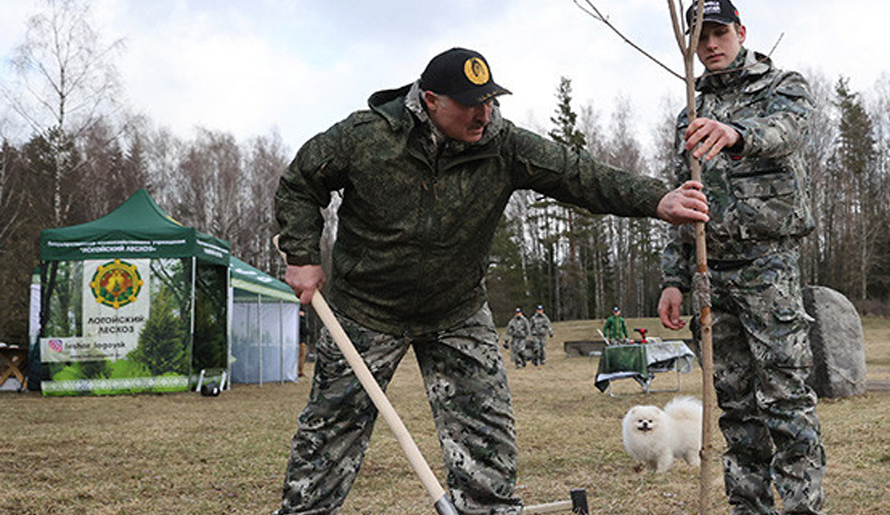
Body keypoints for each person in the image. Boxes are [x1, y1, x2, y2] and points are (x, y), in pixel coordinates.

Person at [273, 47, 709, 515]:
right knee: (330, 432)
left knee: (486, 437)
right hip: (365, 310)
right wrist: (301, 254)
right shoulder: (367, 136)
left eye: (490, 100)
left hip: (456, 310)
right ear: (432, 99)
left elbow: (578, 174)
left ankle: (485, 510)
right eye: (470, 103)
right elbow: (300, 182)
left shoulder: (503, 145)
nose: (484, 113)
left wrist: (657, 199)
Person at [656, 2, 825, 513]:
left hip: (767, 267)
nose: (711, 45)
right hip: (711, 271)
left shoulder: (782, 88)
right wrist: (674, 279)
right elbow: (685, 198)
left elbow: (789, 132)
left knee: (786, 399)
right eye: (701, 36)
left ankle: (801, 508)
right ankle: (748, 506)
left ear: (740, 32)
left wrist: (736, 135)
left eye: (720, 33)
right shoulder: (691, 109)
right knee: (735, 406)